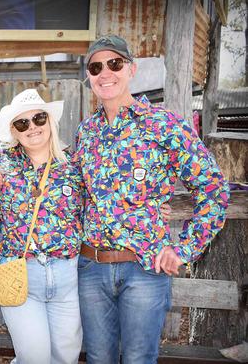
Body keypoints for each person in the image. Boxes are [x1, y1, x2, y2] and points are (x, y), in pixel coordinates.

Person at [75, 35, 230, 363]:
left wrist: (184, 249)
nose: (105, 72)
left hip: (144, 268)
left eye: (114, 64)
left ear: (131, 69)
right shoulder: (85, 133)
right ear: (88, 76)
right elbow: (72, 191)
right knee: (97, 358)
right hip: (91, 266)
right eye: (95, 66)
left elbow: (214, 189)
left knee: (138, 359)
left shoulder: (164, 125)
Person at [0, 89, 83, 364]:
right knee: (34, 357)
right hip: (21, 273)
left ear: (49, 122)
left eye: (39, 118)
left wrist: (152, 207)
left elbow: (107, 197)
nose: (32, 127)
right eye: (22, 123)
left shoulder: (74, 164)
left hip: (67, 274)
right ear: (14, 131)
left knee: (65, 357)